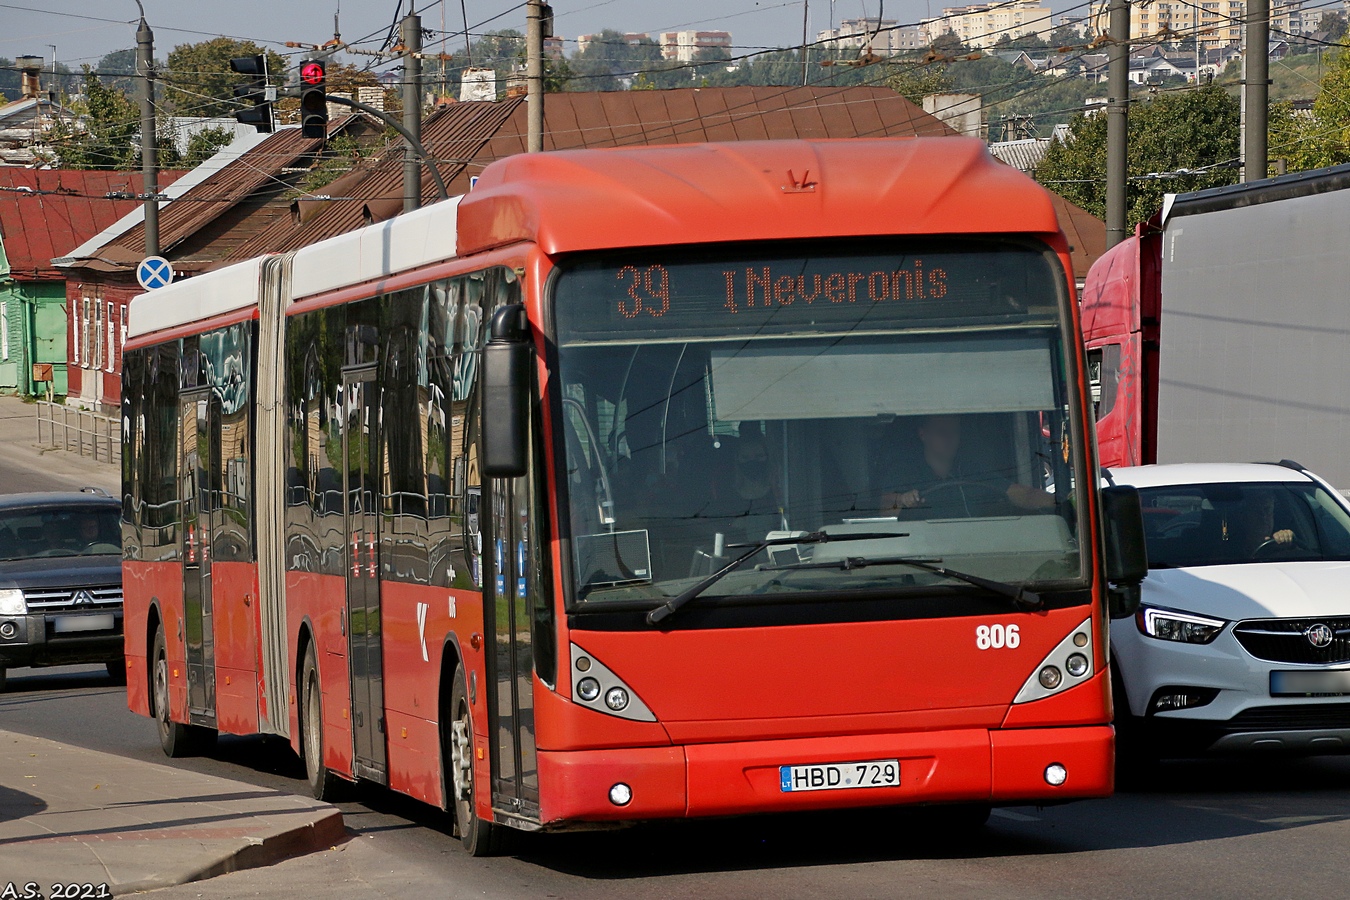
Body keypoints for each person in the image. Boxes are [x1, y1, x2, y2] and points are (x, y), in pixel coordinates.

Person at [880, 414, 1053, 517]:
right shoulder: (904, 472)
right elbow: (882, 508)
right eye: (942, 432)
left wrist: (1060, 502)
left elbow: (1019, 493)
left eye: (954, 432)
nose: (950, 438)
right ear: (923, 434)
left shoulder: (972, 472)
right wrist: (903, 500)